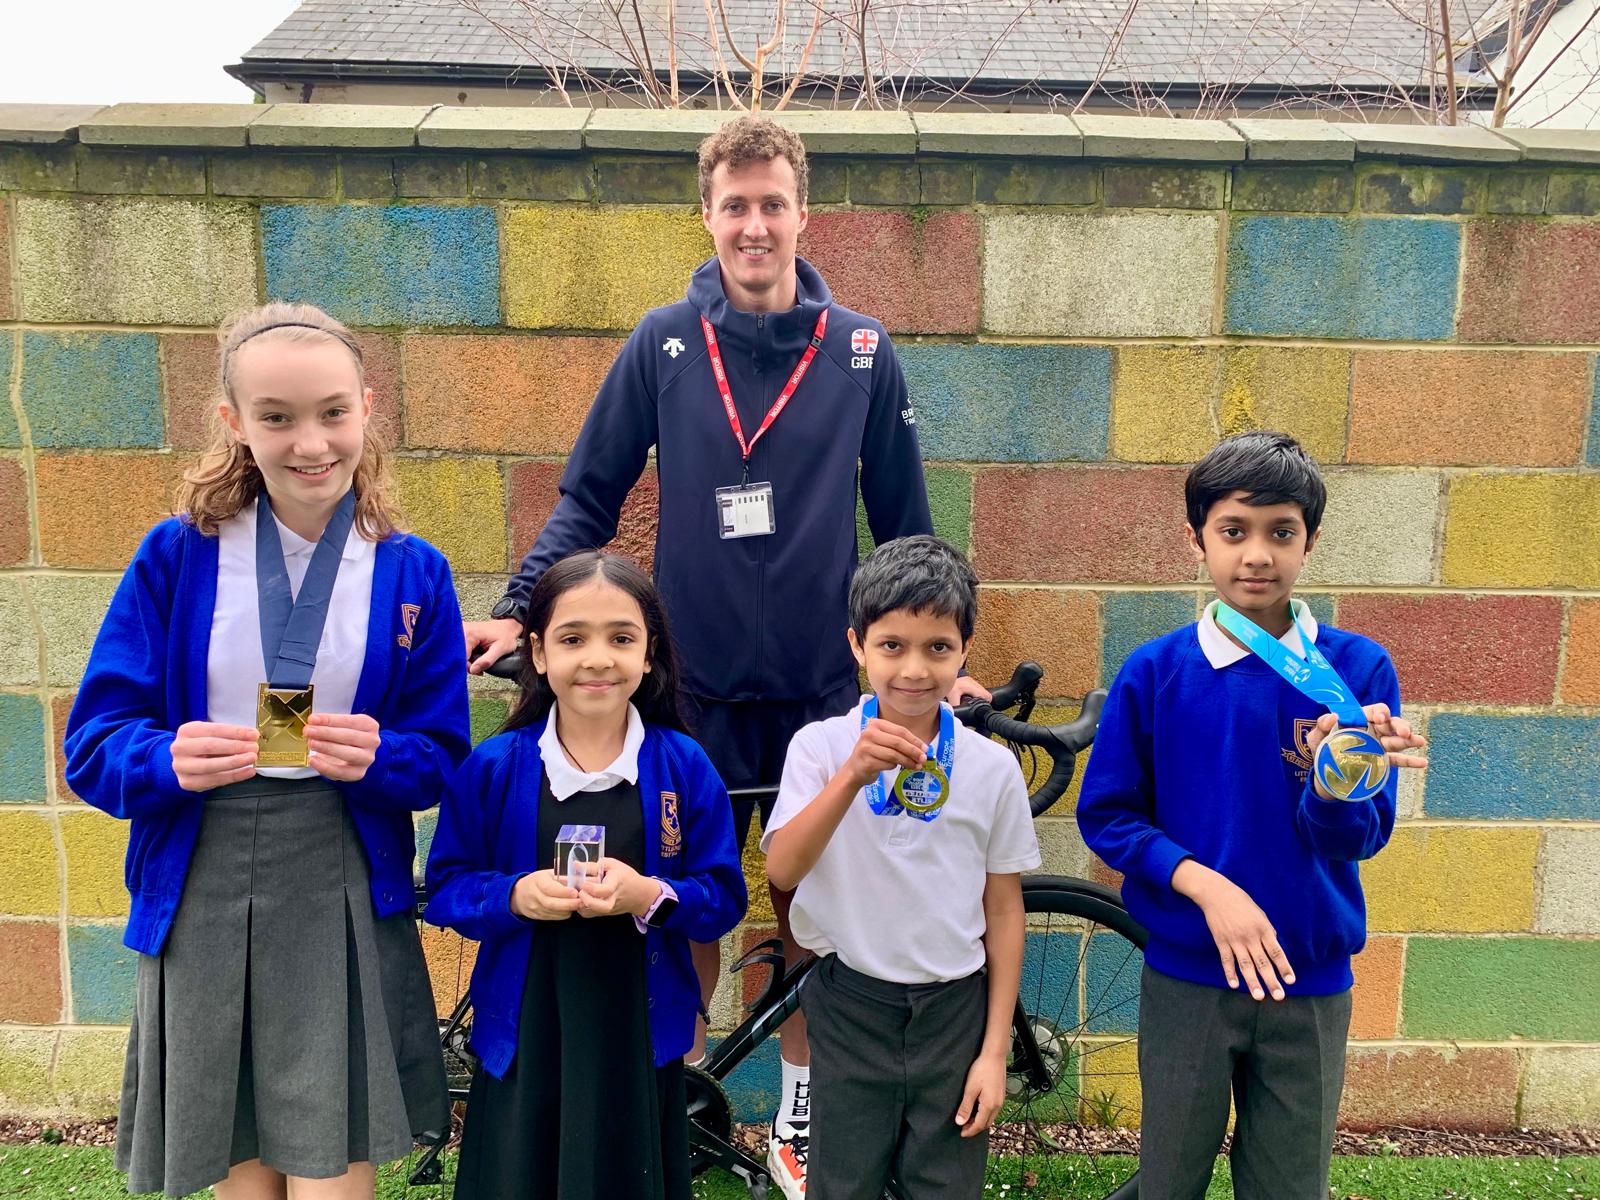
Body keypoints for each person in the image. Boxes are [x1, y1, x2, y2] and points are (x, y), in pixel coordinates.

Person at [461, 114, 986, 1194]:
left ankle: (797, 1116)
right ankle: (677, 1094)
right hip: (688, 694)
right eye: (734, 205)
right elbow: (587, 497)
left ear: (804, 212)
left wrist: (942, 658)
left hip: (817, 688)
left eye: (773, 203)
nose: (755, 224)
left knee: (802, 911)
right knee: (681, 896)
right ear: (707, 216)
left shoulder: (858, 350)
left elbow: (905, 521)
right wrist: (521, 606)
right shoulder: (661, 342)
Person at [63, 302, 467, 1200]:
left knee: (331, 1168)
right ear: (233, 423)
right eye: (276, 417)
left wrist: (382, 757)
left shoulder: (412, 572)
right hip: (203, 868)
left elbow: (441, 755)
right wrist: (162, 760)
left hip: (340, 873)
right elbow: (91, 745)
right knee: (240, 1166)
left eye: (331, 412)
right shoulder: (176, 556)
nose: (310, 443)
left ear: (368, 407)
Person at [1076, 431, 1429, 1200]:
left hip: (1310, 981)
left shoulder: (1357, 673)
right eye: (1234, 531)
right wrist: (1205, 885)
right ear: (1196, 539)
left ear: (1311, 541)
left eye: (1281, 532)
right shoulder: (1157, 672)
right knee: (1169, 1182)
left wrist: (1337, 784)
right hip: (1189, 978)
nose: (1257, 555)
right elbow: (1108, 816)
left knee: (1289, 1187)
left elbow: (1359, 837)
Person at [427, 551, 747, 1200]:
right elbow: (448, 889)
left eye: (621, 638)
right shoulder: (494, 768)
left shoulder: (682, 767)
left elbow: (722, 900)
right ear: (539, 653)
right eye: (574, 638)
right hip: (526, 1029)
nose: (598, 658)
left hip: (634, 1030)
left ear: (650, 653)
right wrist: (513, 895)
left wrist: (650, 895)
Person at [762, 535, 1037, 1200]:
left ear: (964, 649)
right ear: (857, 646)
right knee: (843, 1181)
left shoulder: (990, 767)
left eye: (937, 647)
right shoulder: (821, 748)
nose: (914, 668)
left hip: (954, 1011)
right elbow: (784, 867)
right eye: (892, 646)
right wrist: (852, 775)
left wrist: (995, 1050)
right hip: (851, 1000)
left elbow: (1003, 911)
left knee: (943, 1183)